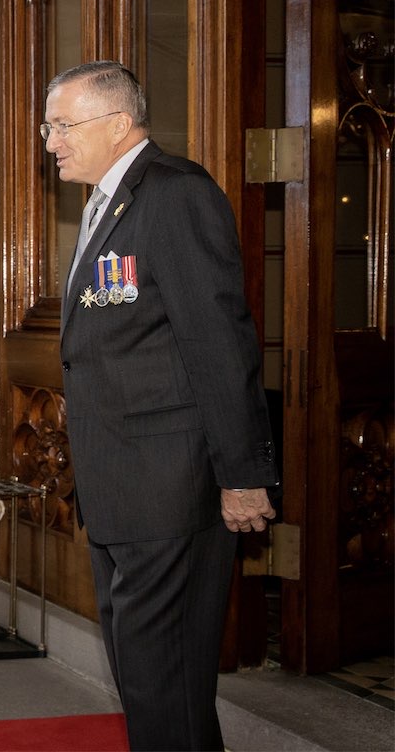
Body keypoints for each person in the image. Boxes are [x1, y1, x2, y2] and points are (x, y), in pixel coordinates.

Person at [46, 60, 279, 750]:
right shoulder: (108, 201)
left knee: (163, 682)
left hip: (169, 488)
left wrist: (241, 473)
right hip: (122, 485)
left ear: (118, 125)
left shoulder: (175, 195)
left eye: (64, 125)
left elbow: (219, 343)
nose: (51, 140)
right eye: (48, 125)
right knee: (151, 683)